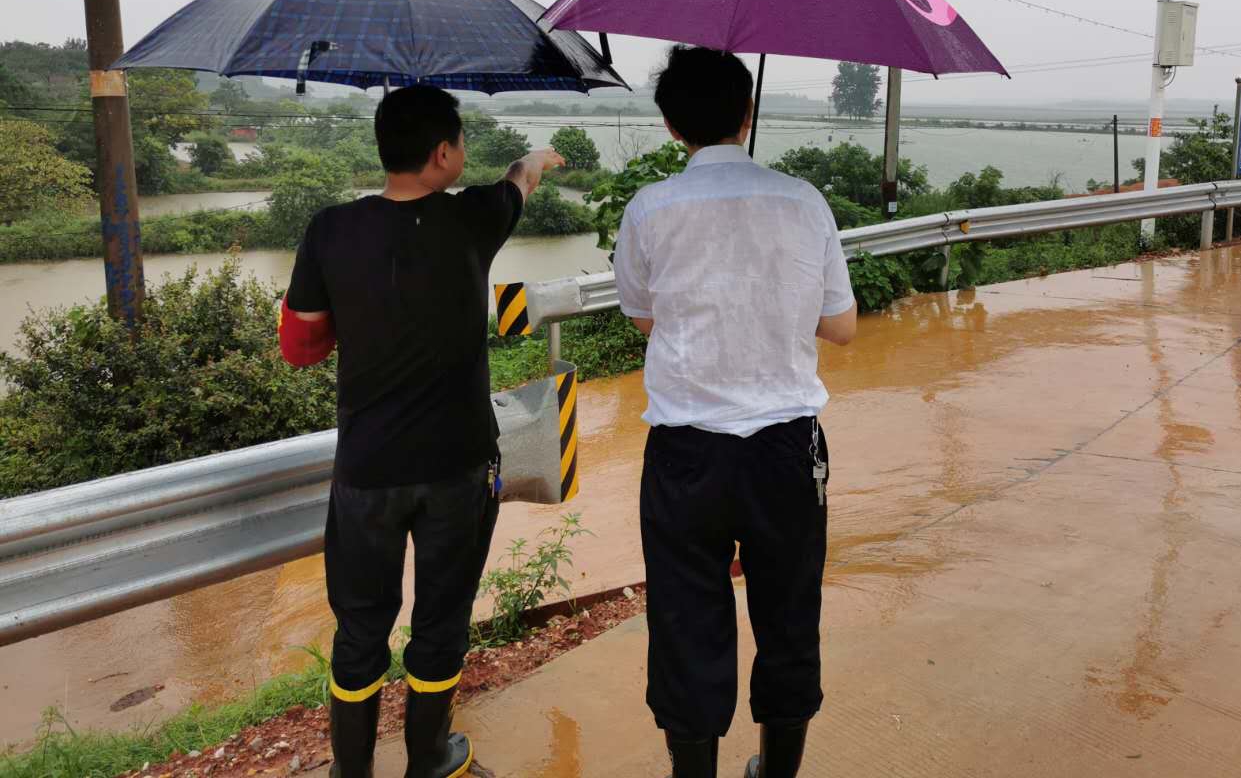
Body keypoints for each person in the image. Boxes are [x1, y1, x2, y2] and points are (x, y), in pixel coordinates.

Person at [278, 84, 563, 778]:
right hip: (458, 466)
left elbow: (300, 346)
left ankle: (351, 772)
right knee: (442, 619)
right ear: (442, 154)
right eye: (460, 142)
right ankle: (429, 760)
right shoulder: (474, 218)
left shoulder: (330, 229)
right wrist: (537, 158)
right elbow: (519, 181)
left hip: (368, 470)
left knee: (360, 627)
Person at [613, 47, 858, 778]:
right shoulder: (804, 201)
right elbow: (842, 327)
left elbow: (644, 317)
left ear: (670, 126)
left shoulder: (649, 207)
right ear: (747, 115)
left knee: (685, 621)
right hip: (786, 451)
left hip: (685, 453)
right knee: (789, 615)